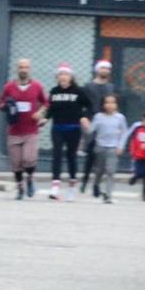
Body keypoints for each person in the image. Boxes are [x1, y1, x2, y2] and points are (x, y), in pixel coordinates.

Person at [0, 59, 47, 200]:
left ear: (30, 69)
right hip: (14, 130)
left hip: (31, 130)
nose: (23, 70)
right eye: (21, 67)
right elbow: (0, 103)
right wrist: (7, 106)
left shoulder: (37, 86)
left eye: (26, 67)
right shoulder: (9, 87)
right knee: (16, 163)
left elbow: (45, 102)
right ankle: (20, 187)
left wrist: (41, 113)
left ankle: (30, 178)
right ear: (17, 69)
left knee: (29, 159)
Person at [46, 64, 90, 200]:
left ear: (71, 77)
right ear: (57, 77)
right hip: (57, 128)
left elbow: (88, 106)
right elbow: (50, 109)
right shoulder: (54, 91)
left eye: (66, 74)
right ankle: (55, 186)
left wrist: (84, 117)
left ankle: (71, 186)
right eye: (61, 74)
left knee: (71, 157)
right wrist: (44, 119)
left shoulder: (78, 91)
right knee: (57, 155)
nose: (63, 77)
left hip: (73, 128)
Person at [79, 61, 118, 193]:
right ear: (97, 70)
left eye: (107, 68)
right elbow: (82, 105)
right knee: (91, 154)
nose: (105, 70)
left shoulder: (111, 87)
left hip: (107, 124)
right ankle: (84, 182)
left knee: (103, 158)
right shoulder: (88, 87)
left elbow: (115, 105)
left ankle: (97, 185)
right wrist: (83, 118)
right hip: (92, 123)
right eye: (102, 68)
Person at [88, 94, 129, 204]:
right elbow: (91, 130)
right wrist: (86, 124)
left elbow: (124, 132)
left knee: (110, 171)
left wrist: (121, 146)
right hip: (100, 146)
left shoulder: (120, 117)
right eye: (107, 102)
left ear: (116, 105)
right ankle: (96, 184)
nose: (110, 105)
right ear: (103, 104)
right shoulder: (99, 116)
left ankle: (108, 195)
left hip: (113, 147)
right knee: (100, 170)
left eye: (112, 102)